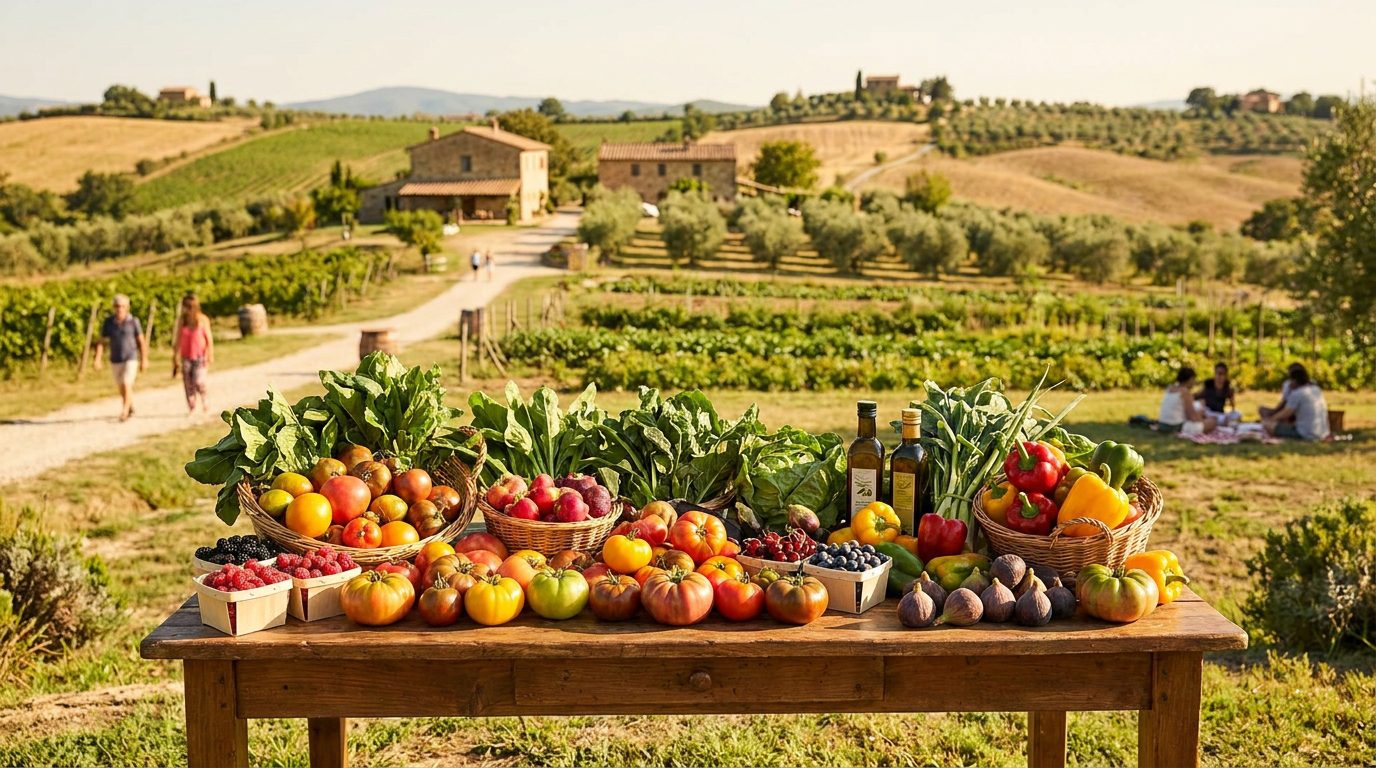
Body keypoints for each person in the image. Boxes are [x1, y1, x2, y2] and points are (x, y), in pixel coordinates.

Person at [93, 294, 148, 422]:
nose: (120, 309)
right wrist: (98, 358)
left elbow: (141, 341)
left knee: (127, 383)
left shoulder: (133, 321)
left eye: (122, 306)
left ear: (127, 307)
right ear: (113, 307)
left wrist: (144, 359)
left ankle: (124, 411)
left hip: (131, 357)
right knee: (121, 386)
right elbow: (102, 342)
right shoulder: (108, 322)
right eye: (117, 306)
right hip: (115, 358)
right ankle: (130, 406)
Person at [1263, 363, 1331, 440]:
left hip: (1306, 434)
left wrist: (1271, 419)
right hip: (1323, 433)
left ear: (1294, 380)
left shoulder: (1297, 393)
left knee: (1268, 425)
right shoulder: (1316, 389)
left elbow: (1286, 413)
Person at [172, 292, 214, 414]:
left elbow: (209, 339)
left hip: (200, 356)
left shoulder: (203, 319)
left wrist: (210, 354)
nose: (188, 308)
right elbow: (177, 339)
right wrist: (175, 357)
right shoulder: (182, 321)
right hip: (186, 356)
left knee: (199, 381)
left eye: (190, 305)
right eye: (186, 305)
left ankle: (205, 399)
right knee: (188, 383)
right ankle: (192, 405)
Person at [1157, 366, 1217, 434]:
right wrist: (1201, 414)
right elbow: (1193, 417)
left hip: (1162, 424)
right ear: (1190, 379)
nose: (1194, 382)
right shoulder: (1185, 392)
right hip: (1174, 427)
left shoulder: (1169, 388)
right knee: (1213, 421)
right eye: (1194, 379)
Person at [1200, 362, 1242, 427]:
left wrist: (1231, 396)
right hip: (1209, 412)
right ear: (1215, 374)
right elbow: (1200, 399)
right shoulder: (1208, 385)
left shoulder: (1227, 388)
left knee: (1238, 414)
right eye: (1218, 373)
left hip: (1220, 414)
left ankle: (1225, 422)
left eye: (1223, 374)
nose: (1220, 376)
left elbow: (1233, 407)